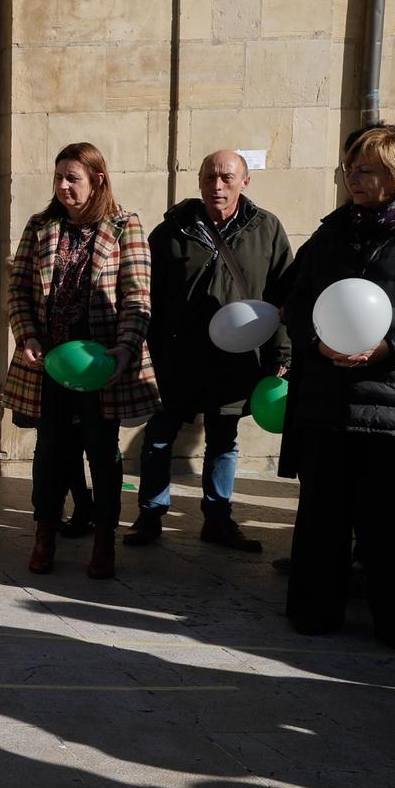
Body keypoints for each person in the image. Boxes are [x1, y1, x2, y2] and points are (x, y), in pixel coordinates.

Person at [280, 125, 395, 648]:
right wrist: (317, 342)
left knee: (393, 523)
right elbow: (295, 300)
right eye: (349, 169)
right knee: (322, 515)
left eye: (365, 170)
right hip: (328, 397)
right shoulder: (333, 230)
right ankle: (315, 611)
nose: (353, 179)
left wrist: (390, 347)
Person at [124, 150, 292, 552]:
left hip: (236, 359)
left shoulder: (267, 229)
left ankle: (218, 519)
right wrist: (143, 351)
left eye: (227, 178)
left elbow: (285, 295)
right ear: (199, 181)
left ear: (244, 182)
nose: (218, 186)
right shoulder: (171, 231)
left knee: (223, 439)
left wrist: (281, 354)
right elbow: (148, 295)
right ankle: (150, 515)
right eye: (210, 177)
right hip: (176, 357)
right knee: (159, 438)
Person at [5, 142, 159, 580]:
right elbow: (17, 290)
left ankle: (104, 539)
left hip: (102, 366)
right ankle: (44, 535)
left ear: (98, 181)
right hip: (49, 364)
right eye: (58, 177)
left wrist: (124, 351)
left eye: (73, 178)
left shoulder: (125, 225)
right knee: (49, 451)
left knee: (102, 452)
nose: (63, 186)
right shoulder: (40, 226)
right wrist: (27, 336)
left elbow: (137, 297)